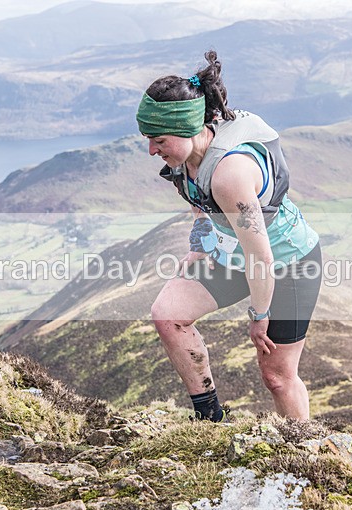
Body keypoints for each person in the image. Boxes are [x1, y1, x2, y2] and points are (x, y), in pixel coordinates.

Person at [136, 50, 322, 422]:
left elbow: (262, 258)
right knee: (167, 315)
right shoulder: (185, 159)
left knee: (277, 377)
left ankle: (306, 449)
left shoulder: (229, 175)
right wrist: (200, 248)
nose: (152, 150)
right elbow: (200, 209)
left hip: (286, 263)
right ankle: (209, 418)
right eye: (148, 139)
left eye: (159, 140)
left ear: (189, 128)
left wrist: (259, 314)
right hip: (237, 256)